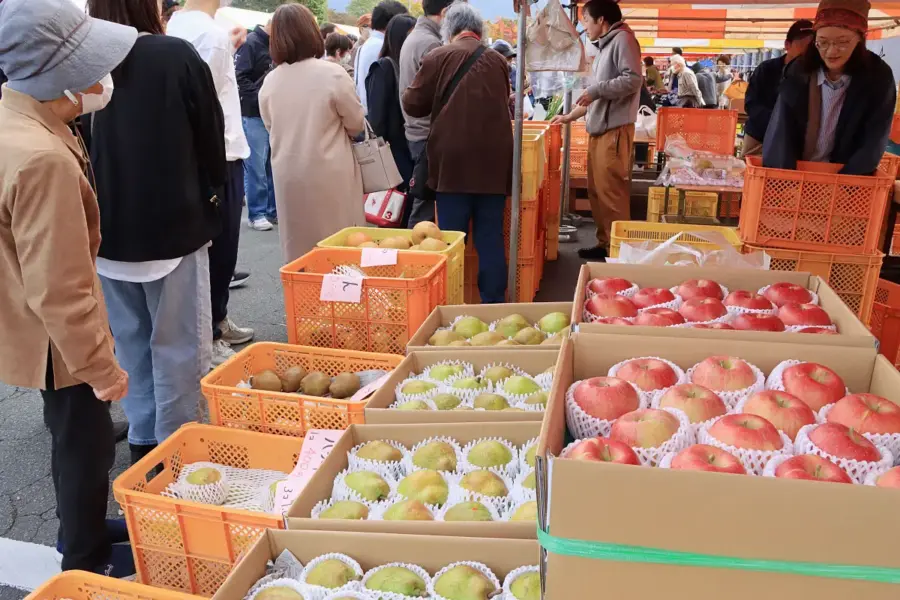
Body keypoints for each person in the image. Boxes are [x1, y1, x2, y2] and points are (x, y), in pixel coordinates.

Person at [0, 0, 137, 576]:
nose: (101, 80)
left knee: (71, 434)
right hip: (54, 336)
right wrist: (103, 370)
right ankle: (83, 558)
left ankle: (79, 527)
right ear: (64, 77)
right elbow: (62, 290)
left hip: (27, 319)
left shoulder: (19, 119)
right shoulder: (42, 157)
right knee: (86, 441)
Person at [87, 0, 226, 464]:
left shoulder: (83, 57)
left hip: (105, 231)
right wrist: (212, 197)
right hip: (173, 225)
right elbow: (211, 137)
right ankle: (176, 455)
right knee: (180, 348)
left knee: (131, 345)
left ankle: (145, 447)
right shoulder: (174, 55)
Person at [402, 2, 512, 302]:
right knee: (491, 238)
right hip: (495, 163)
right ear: (479, 31)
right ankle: (493, 305)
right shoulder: (499, 61)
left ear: (448, 30)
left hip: (452, 162)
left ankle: (450, 303)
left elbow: (412, 103)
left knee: (451, 240)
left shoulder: (438, 55)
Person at [168, 0, 255, 366]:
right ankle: (213, 331)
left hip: (194, 154)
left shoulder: (176, 26)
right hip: (222, 152)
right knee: (222, 248)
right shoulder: (212, 35)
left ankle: (211, 325)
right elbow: (208, 101)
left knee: (202, 251)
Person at [260, 4, 366, 263]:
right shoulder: (332, 74)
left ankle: (303, 297)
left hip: (287, 173)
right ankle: (342, 297)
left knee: (299, 248)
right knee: (340, 244)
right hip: (330, 171)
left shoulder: (270, 82)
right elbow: (356, 123)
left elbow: (269, 125)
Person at [550, 0, 641, 261]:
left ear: (601, 20)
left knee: (611, 193)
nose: (584, 27)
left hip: (614, 131)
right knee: (598, 192)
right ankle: (605, 244)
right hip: (601, 130)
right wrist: (569, 116)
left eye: (587, 21)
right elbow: (595, 98)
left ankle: (619, 252)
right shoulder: (606, 45)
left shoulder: (623, 39)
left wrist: (595, 91)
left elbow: (633, 79)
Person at [764, 0, 895, 175]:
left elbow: (874, 140)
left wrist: (846, 184)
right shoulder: (798, 71)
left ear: (860, 39)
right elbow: (781, 132)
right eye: (823, 42)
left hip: (846, 177)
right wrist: (785, 179)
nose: (831, 52)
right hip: (798, 173)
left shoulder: (878, 76)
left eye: (842, 42)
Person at [399, 0, 454, 227]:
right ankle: (417, 258)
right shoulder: (431, 44)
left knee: (424, 197)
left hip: (417, 130)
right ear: (445, 12)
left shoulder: (416, 37)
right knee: (425, 204)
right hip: (426, 133)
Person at [366, 14, 417, 226]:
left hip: (407, 146)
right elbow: (376, 117)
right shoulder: (384, 67)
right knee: (395, 208)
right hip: (393, 149)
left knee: (404, 206)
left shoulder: (407, 66)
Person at [743, 19, 814, 156]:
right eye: (802, 45)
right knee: (751, 170)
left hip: (794, 141)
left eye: (811, 48)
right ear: (787, 45)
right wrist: (777, 122)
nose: (806, 52)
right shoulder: (766, 69)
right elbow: (751, 103)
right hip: (759, 136)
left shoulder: (813, 75)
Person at [236, 22, 278, 232]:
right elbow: (240, 76)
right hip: (253, 112)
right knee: (257, 166)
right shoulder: (252, 43)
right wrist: (260, 97)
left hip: (269, 111)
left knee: (270, 164)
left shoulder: (273, 43)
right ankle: (258, 212)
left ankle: (270, 210)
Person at [355, 0, 408, 113]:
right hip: (379, 118)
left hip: (367, 113)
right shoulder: (382, 47)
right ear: (393, 23)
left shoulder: (365, 45)